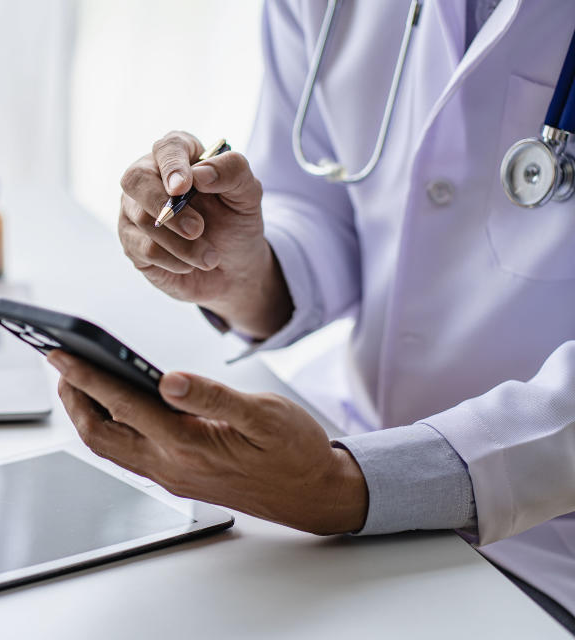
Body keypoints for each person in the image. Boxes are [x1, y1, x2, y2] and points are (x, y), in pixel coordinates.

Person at [49, 0, 575, 628]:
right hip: (352, 457)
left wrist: (348, 485)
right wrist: (238, 268)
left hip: (548, 556)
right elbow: (323, 198)